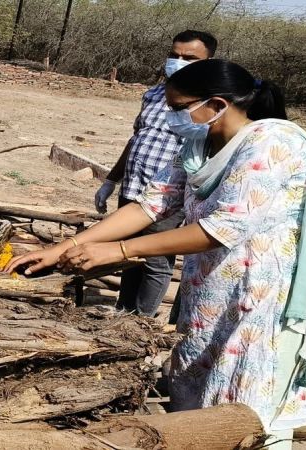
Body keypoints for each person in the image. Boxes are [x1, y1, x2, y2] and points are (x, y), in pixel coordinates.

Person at [6, 59, 306, 449]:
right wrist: (62, 248)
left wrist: (119, 250)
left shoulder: (271, 142)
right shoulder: (197, 146)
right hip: (207, 293)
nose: (172, 118)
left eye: (179, 108)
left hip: (257, 298)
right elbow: (151, 205)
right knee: (198, 397)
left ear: (216, 104)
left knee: (246, 403)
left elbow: (222, 228)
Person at [95, 29, 218, 318]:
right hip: (134, 186)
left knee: (155, 259)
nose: (179, 62)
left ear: (208, 62)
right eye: (174, 55)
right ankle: (123, 312)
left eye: (189, 58)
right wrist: (111, 180)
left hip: (168, 197)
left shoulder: (207, 105)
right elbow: (136, 139)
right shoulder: (153, 95)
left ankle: (142, 320)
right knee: (127, 250)